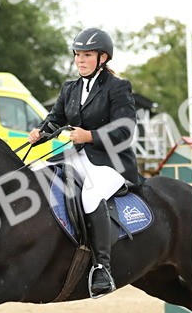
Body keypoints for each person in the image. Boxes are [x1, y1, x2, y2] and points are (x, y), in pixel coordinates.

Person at [28, 27, 142, 298]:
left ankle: (102, 268)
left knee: (90, 195)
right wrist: (41, 132)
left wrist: (90, 135)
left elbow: (125, 130)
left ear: (102, 58)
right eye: (77, 54)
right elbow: (55, 119)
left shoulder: (117, 87)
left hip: (110, 162)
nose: (80, 60)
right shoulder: (71, 88)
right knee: (35, 174)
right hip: (76, 157)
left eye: (87, 55)